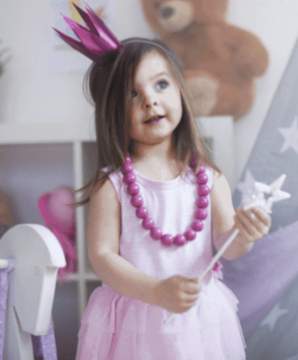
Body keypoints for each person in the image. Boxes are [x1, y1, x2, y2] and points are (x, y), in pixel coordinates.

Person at [55, 4, 271, 359]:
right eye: (131, 93)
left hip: (198, 319)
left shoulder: (208, 178)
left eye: (160, 84)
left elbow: (226, 247)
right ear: (112, 110)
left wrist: (243, 234)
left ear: (181, 91)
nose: (150, 100)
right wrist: (156, 292)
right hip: (133, 320)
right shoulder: (113, 186)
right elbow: (102, 256)